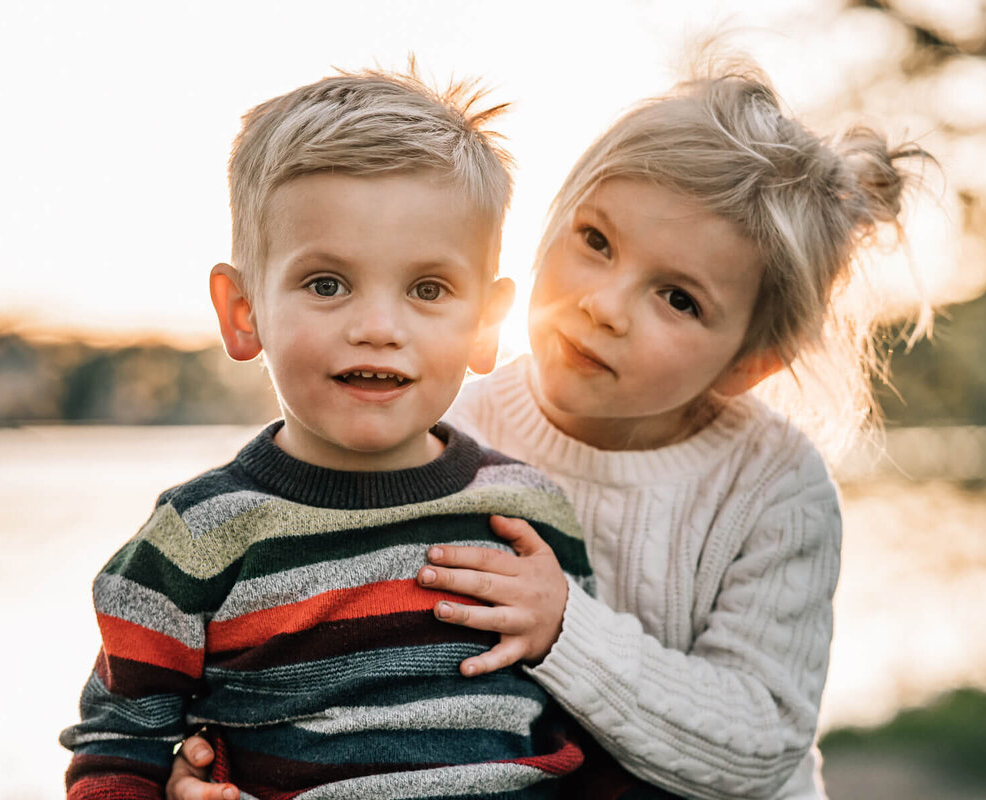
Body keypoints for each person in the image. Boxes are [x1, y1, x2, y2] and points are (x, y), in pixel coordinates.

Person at [169, 61, 931, 800]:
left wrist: (567, 628)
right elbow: (351, 656)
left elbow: (760, 744)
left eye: (677, 298)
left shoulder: (772, 486)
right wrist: (222, 750)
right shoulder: (448, 433)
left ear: (749, 363)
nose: (605, 304)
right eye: (596, 241)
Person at [59, 67, 598, 800]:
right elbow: (119, 748)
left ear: (485, 322)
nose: (378, 328)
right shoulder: (196, 540)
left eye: (428, 290)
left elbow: (587, 732)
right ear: (243, 311)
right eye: (326, 284)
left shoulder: (527, 517)